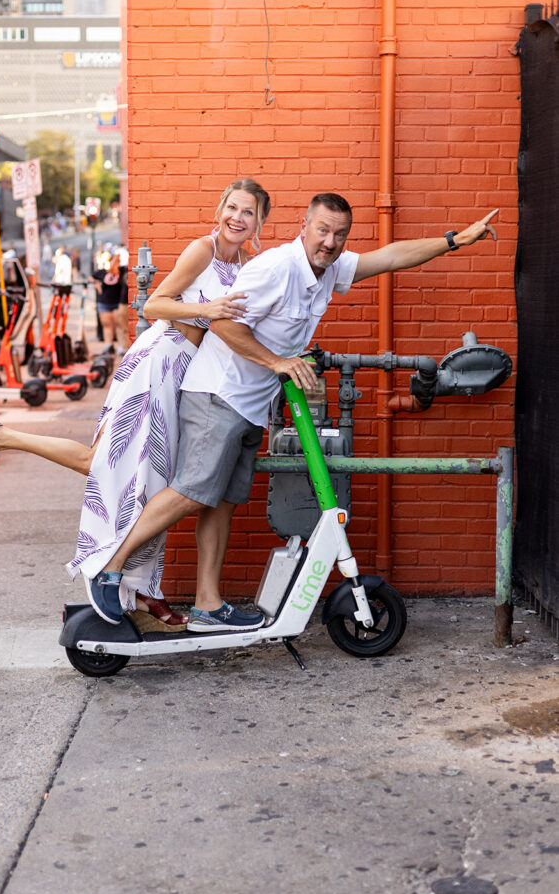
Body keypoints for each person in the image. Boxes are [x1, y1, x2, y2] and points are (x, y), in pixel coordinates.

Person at [87, 194, 499, 633]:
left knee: (222, 501)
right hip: (217, 393)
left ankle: (208, 605)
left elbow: (390, 257)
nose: (330, 241)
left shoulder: (330, 268)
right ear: (304, 226)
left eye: (339, 234)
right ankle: (108, 569)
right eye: (322, 230)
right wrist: (279, 362)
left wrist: (455, 240)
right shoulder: (276, 269)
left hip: (249, 403)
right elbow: (224, 323)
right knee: (192, 491)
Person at [0, 179, 272, 629]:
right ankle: (1, 435)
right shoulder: (202, 250)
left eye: (249, 213)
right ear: (220, 208)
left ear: (260, 222)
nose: (238, 219)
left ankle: (141, 590)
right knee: (101, 462)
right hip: (156, 363)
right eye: (232, 208)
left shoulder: (250, 265)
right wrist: (211, 311)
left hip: (189, 377)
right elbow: (155, 305)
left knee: (155, 480)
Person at [91, 244, 120, 350]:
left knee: (118, 326)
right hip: (104, 302)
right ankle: (108, 345)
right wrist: (96, 285)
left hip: (117, 302)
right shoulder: (101, 272)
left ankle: (120, 347)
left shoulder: (119, 270)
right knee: (107, 325)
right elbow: (92, 277)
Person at [115, 243, 130, 355]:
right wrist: (117, 256)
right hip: (123, 301)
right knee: (123, 326)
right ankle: (125, 347)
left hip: (129, 301)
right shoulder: (122, 269)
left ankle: (127, 347)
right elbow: (112, 268)